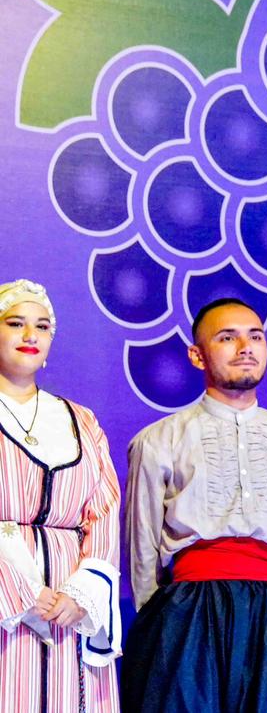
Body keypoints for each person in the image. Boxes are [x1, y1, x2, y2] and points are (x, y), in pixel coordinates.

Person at [122, 298, 267, 712]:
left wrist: (264, 588)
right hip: (188, 607)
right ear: (197, 356)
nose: (245, 348)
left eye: (256, 337)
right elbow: (142, 545)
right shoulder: (159, 440)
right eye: (227, 338)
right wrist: (162, 619)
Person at [0, 279, 121, 712]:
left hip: (69, 608)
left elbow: (104, 510)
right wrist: (18, 590)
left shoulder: (80, 420)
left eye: (42, 326)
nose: (30, 335)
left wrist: (82, 593)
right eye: (15, 323)